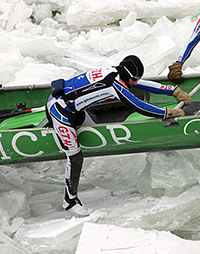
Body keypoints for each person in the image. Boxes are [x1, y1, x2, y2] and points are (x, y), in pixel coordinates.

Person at [46, 55, 190, 216]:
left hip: (75, 108)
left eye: (136, 79)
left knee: (98, 135)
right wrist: (166, 112)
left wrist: (173, 91)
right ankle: (70, 201)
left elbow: (141, 83)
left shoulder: (116, 72)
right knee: (75, 156)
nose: (135, 83)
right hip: (60, 111)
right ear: (127, 75)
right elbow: (138, 106)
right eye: (133, 80)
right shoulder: (114, 86)